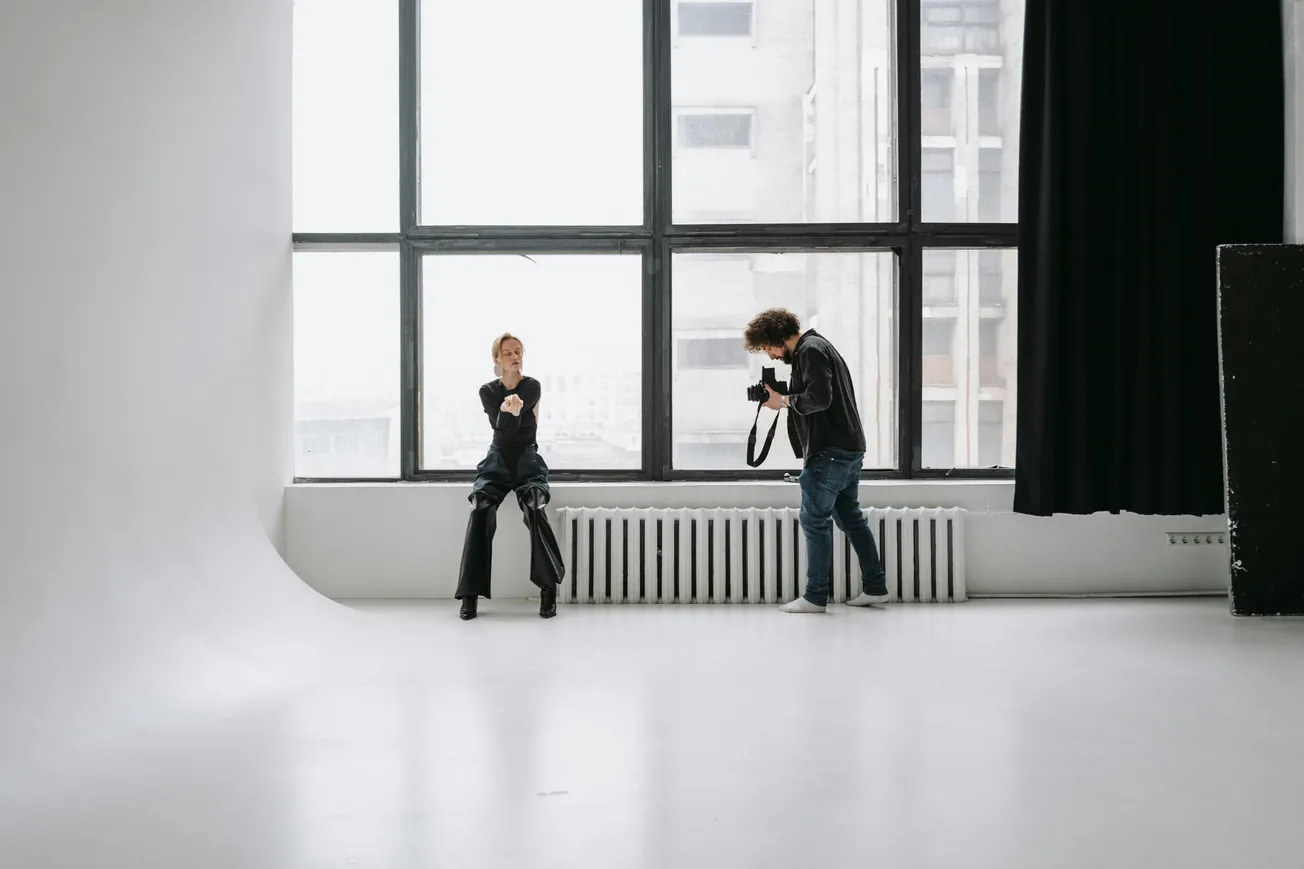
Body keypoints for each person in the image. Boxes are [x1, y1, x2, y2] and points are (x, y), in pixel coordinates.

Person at [743, 308, 890, 613]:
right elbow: (820, 393)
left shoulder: (809, 351)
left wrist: (782, 401)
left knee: (813, 520)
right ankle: (875, 587)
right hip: (849, 448)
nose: (770, 356)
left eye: (767, 348)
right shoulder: (819, 347)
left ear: (776, 338)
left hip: (829, 452)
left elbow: (820, 399)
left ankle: (815, 596)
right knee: (850, 518)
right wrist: (783, 394)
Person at [455, 333, 565, 621]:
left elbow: (517, 431)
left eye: (518, 351)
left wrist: (509, 415)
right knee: (480, 508)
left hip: (527, 461)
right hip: (497, 463)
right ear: (497, 360)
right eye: (508, 353)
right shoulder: (487, 391)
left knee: (535, 506)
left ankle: (548, 589)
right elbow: (500, 428)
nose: (515, 357)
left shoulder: (532, 386)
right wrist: (508, 414)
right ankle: (469, 594)